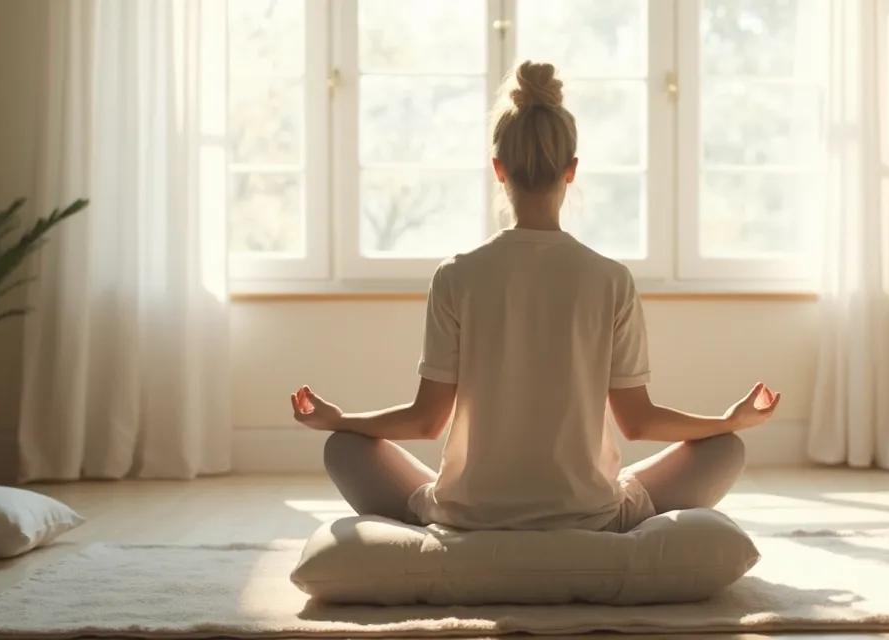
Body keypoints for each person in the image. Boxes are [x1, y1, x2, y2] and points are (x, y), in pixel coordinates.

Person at [290, 60, 781, 532]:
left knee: (344, 447)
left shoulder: (456, 275)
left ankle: (463, 523)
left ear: (498, 168)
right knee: (725, 448)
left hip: (469, 515)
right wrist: (726, 420)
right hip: (589, 515)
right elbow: (637, 421)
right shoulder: (611, 279)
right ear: (571, 169)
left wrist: (341, 419)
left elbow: (425, 421)